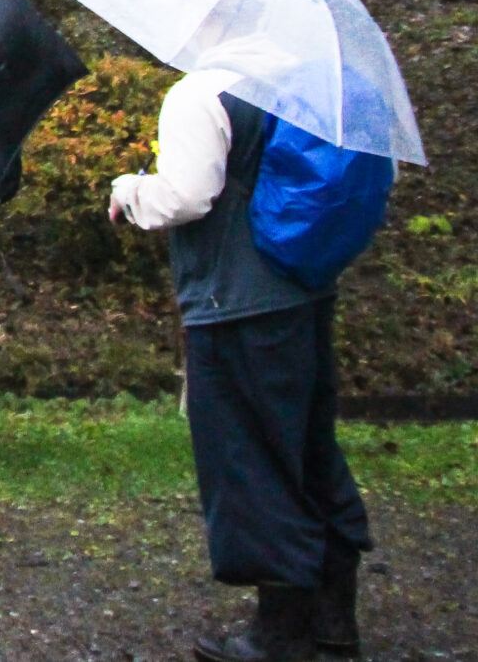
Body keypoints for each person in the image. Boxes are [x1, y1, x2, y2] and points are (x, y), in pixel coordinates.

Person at [109, 70, 371, 662]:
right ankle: (333, 618)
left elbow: (187, 195)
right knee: (307, 449)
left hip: (233, 303)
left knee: (248, 460)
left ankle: (281, 633)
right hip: (304, 292)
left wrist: (129, 190)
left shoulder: (202, 92)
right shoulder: (311, 83)